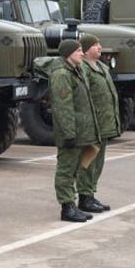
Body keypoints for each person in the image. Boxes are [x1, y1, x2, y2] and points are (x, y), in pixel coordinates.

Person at [49, 38, 100, 222]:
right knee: (66, 170)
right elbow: (64, 107)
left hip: (82, 131)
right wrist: (69, 134)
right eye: (78, 51)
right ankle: (67, 207)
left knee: (76, 168)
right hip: (71, 133)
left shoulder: (77, 70)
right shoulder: (62, 74)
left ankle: (74, 202)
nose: (81, 53)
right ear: (69, 54)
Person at [76, 34, 117, 214]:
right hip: (92, 124)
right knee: (88, 161)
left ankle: (91, 194)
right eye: (95, 45)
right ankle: (84, 197)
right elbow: (83, 98)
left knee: (98, 162)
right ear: (85, 50)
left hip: (104, 123)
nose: (100, 47)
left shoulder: (101, 67)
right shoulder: (83, 69)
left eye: (99, 44)